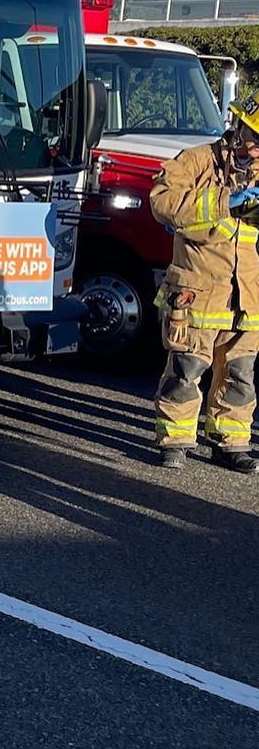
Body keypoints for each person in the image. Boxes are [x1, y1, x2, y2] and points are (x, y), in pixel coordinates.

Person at [149, 90, 259, 472]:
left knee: (241, 374)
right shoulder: (197, 160)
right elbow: (162, 202)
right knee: (186, 370)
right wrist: (226, 200)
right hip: (197, 291)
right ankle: (175, 440)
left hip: (248, 297)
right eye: (255, 139)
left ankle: (232, 442)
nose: (257, 150)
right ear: (240, 126)